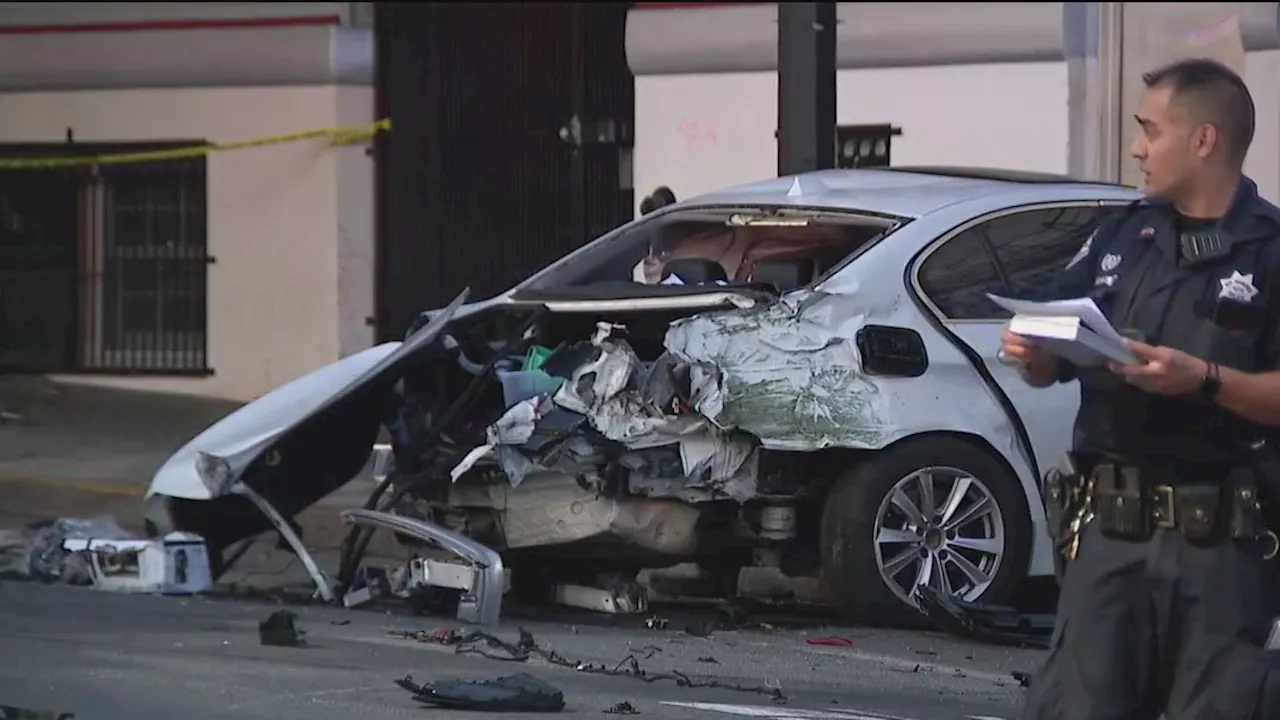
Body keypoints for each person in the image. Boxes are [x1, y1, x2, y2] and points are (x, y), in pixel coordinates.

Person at [1002, 58, 1280, 719]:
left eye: (1150, 130)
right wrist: (1031, 355)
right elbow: (1053, 342)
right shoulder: (1124, 235)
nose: (1136, 147)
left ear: (1204, 140)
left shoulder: (1270, 251)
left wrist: (1206, 381)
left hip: (1223, 547)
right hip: (1109, 540)